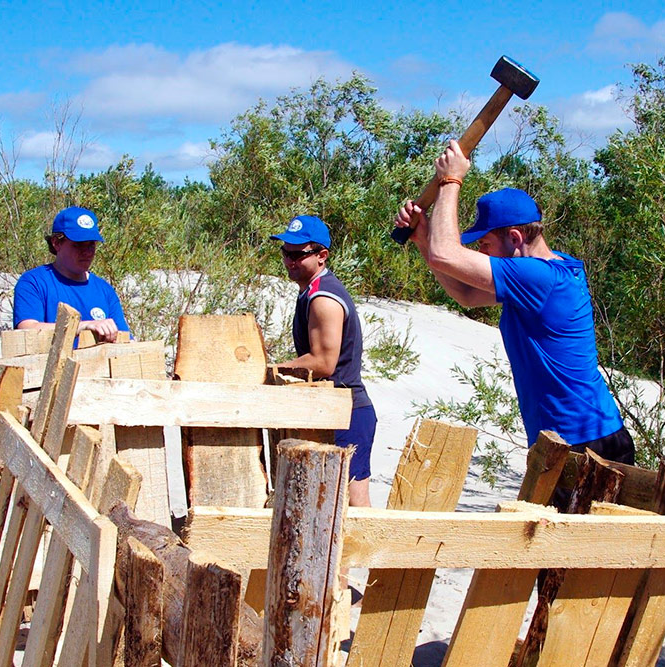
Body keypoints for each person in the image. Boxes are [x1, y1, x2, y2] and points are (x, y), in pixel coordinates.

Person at [394, 140, 634, 465]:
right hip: (568, 439)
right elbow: (465, 294)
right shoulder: (548, 269)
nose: (482, 254)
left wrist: (451, 181)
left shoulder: (539, 277)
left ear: (516, 239)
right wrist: (423, 238)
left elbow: (446, 255)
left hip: (586, 442)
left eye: (486, 244)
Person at [272, 215, 377, 507]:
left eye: (298, 254)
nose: (290, 261)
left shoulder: (323, 298)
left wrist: (272, 371)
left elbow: (323, 362)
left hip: (347, 412)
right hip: (333, 409)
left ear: (321, 256)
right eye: (285, 253)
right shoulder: (311, 292)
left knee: (354, 505)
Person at [13, 206, 130, 343]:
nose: (87, 252)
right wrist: (82, 326)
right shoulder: (34, 282)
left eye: (91, 245)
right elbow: (27, 329)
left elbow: (125, 339)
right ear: (56, 243)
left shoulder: (104, 290)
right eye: (78, 245)